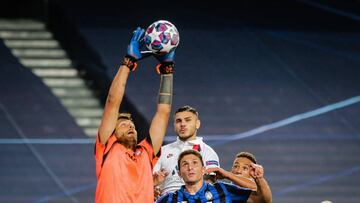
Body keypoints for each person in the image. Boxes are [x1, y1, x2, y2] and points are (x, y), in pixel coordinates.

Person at [94, 27, 175, 203]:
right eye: (122, 124)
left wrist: (167, 70)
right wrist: (128, 62)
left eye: (131, 125)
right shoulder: (108, 145)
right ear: (112, 132)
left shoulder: (146, 153)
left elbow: (163, 113)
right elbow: (112, 101)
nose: (130, 126)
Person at [156, 149, 272, 203]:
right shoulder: (169, 199)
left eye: (195, 163)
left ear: (203, 170)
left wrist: (259, 179)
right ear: (180, 173)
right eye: (185, 164)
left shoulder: (223, 190)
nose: (190, 167)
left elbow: (264, 200)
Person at [153, 105, 221, 196]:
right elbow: (151, 182)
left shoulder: (208, 152)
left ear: (197, 124)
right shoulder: (162, 151)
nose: (182, 124)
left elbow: (210, 183)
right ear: (174, 125)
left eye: (187, 120)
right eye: (178, 121)